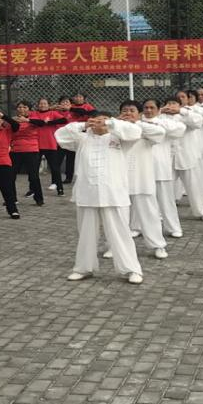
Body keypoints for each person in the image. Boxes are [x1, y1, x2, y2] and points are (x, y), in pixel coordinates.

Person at [57, 112, 145, 284]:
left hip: (113, 193)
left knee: (120, 233)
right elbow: (60, 135)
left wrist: (111, 123)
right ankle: (84, 268)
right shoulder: (82, 138)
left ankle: (131, 269)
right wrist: (83, 125)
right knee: (86, 233)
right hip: (87, 192)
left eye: (103, 120)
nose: (99, 124)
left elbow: (135, 131)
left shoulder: (120, 138)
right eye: (96, 120)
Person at [117, 100, 169, 259]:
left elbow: (160, 134)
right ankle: (115, 246)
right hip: (119, 179)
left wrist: (136, 124)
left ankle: (158, 245)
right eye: (125, 110)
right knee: (117, 216)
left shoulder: (146, 128)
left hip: (142, 178)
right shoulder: (115, 129)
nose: (128, 113)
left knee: (149, 213)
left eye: (132, 110)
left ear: (139, 114)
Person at [161, 98, 203, 222]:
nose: (171, 106)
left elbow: (197, 122)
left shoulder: (187, 114)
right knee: (164, 188)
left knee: (194, 186)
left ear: (180, 105)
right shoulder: (161, 116)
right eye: (168, 104)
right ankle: (160, 213)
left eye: (174, 104)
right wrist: (160, 110)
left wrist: (181, 111)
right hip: (167, 158)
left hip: (186, 157)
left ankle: (202, 212)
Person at [144, 98, 185, 239]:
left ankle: (173, 227)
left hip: (161, 167)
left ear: (158, 109)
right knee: (140, 200)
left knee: (166, 200)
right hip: (141, 169)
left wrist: (157, 122)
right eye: (146, 107)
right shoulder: (138, 122)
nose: (149, 110)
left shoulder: (165, 122)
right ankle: (137, 226)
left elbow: (180, 130)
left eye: (152, 108)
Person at [32, 97, 67, 196]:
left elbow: (64, 120)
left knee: (55, 168)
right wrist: (44, 123)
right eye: (41, 103)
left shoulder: (53, 113)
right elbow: (35, 122)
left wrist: (50, 122)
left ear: (48, 105)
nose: (42, 105)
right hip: (37, 145)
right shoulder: (34, 113)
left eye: (45, 103)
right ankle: (32, 190)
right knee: (34, 169)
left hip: (50, 144)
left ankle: (60, 189)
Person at [12, 101, 45, 206]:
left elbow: (42, 123)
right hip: (15, 150)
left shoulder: (33, 119)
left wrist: (26, 120)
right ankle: (11, 198)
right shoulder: (13, 120)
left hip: (31, 150)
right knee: (10, 176)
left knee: (33, 176)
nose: (21, 109)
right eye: (19, 107)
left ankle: (39, 199)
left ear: (29, 109)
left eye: (24, 107)